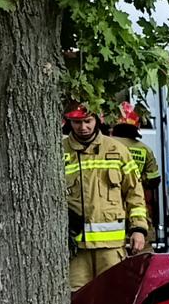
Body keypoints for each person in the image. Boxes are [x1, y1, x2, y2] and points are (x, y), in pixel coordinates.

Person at [64, 103, 149, 289]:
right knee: (76, 302)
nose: (83, 127)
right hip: (76, 250)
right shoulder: (59, 151)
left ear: (97, 119)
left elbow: (135, 193)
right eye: (77, 122)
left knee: (112, 298)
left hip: (111, 248)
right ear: (69, 121)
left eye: (88, 121)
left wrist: (139, 229)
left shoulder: (117, 150)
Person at [111, 104, 162, 241]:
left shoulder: (106, 145)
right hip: (137, 205)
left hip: (110, 207)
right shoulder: (145, 149)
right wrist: (138, 179)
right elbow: (154, 180)